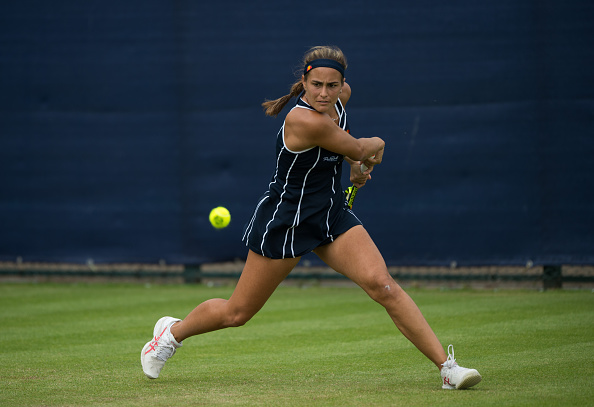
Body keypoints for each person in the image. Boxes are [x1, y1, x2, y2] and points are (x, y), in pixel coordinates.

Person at [141, 45, 482, 390]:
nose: (324, 93)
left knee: (384, 286)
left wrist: (353, 167)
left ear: (342, 84)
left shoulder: (340, 98)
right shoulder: (301, 119)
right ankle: (170, 335)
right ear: (303, 81)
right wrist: (374, 146)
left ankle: (447, 369)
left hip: (331, 214)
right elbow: (362, 147)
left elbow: (345, 144)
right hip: (286, 222)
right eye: (316, 84)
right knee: (237, 313)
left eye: (332, 86)